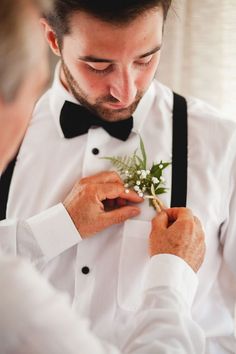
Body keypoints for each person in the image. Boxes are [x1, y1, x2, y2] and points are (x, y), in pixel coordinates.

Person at [2, 0, 234, 352]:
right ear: (52, 38)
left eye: (145, 59)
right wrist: (55, 228)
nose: (125, 91)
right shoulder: (8, 127)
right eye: (99, 66)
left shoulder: (223, 145)